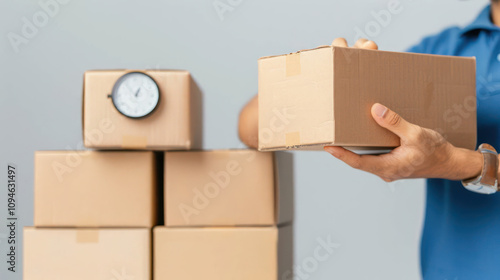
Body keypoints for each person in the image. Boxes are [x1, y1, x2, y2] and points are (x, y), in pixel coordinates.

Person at [238, 2, 500, 278]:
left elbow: (453, 161)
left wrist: (459, 163)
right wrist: (320, 75)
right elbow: (252, 128)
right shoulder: (445, 50)